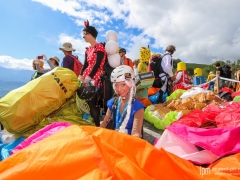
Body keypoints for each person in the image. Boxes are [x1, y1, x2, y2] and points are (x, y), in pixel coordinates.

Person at [100, 65, 144, 138]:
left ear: (130, 84)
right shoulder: (112, 103)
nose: (119, 89)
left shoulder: (138, 108)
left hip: (128, 143)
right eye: (116, 85)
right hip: (112, 139)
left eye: (123, 84)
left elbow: (136, 132)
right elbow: (104, 123)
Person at [78, 20, 107, 127]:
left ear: (91, 35)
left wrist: (89, 77)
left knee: (92, 102)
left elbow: (97, 64)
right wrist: (80, 75)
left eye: (85, 34)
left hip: (96, 77)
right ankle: (95, 124)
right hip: (87, 77)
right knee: (89, 103)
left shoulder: (99, 47)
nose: (83, 36)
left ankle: (97, 126)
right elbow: (85, 64)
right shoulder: (88, 50)